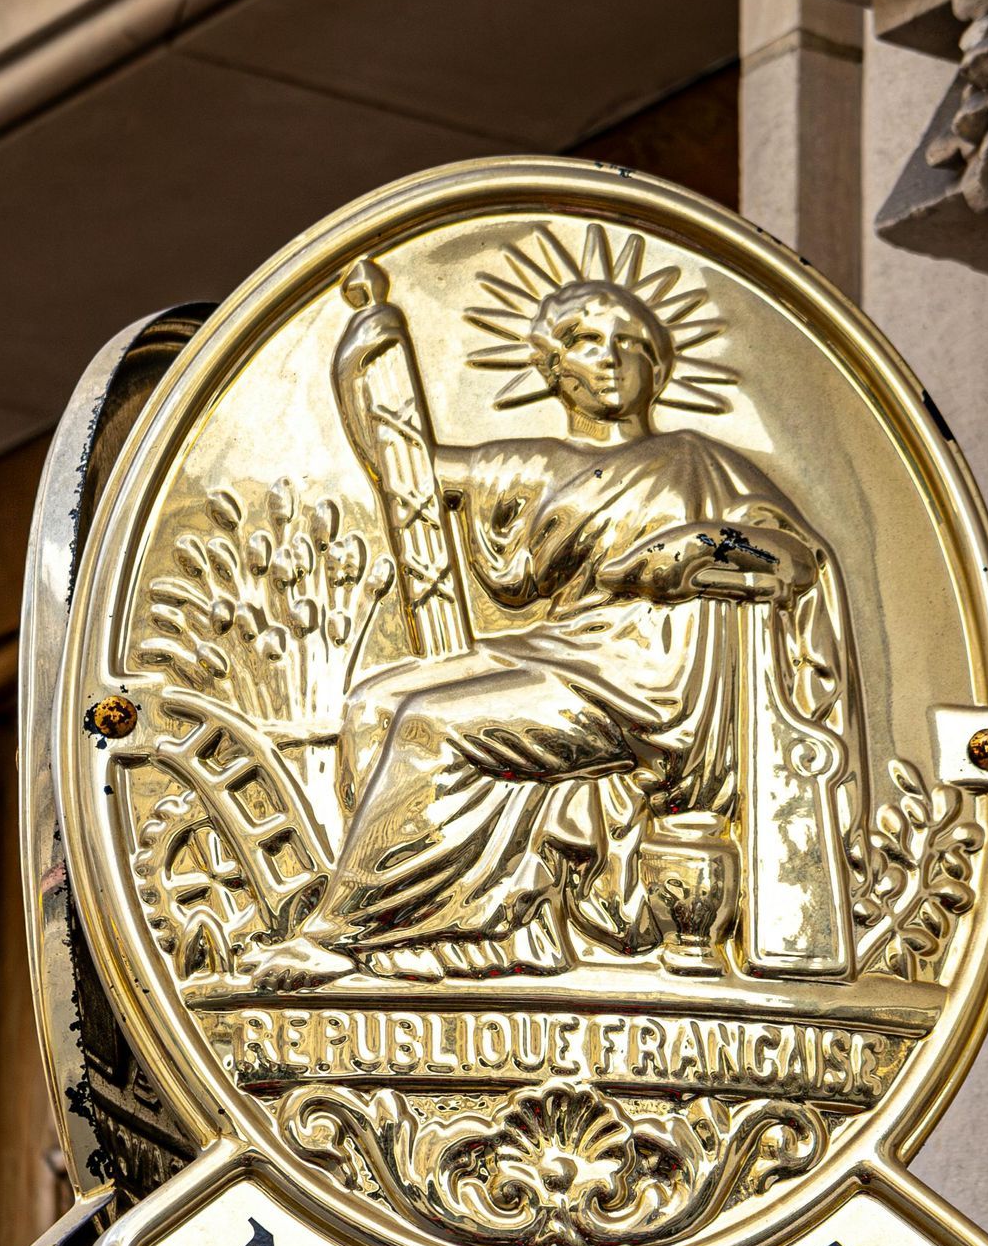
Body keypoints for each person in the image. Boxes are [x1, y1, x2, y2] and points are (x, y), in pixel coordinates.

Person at [247, 250, 865, 982]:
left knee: (431, 725)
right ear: (551, 365)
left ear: (658, 368)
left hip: (652, 683)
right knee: (375, 704)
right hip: (564, 652)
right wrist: (363, 360)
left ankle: (341, 934)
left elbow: (796, 558)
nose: (610, 358)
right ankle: (463, 935)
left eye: (631, 343)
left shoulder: (700, 462)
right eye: (586, 341)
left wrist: (705, 541)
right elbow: (406, 465)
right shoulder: (530, 464)